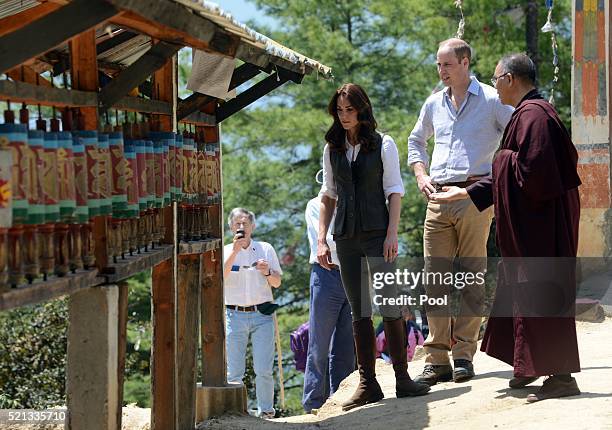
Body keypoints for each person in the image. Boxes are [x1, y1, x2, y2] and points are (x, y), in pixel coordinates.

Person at [430, 53, 582, 402]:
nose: (493, 84)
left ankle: (560, 376)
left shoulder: (536, 117)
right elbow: (516, 170)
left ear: (511, 79)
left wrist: (499, 161)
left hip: (542, 229)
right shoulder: (526, 115)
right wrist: (468, 191)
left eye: (496, 78)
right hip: (533, 225)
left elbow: (534, 175)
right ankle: (528, 364)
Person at [407, 38, 514, 385]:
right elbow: (415, 141)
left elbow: (516, 134)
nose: (441, 72)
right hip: (437, 197)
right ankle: (436, 358)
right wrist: (421, 174)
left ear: (465, 63)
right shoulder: (433, 103)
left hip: (474, 195)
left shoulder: (492, 99)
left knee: (471, 276)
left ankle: (464, 354)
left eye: (447, 65)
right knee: (434, 278)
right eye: (438, 65)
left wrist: (493, 178)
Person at [318, 83, 430, 412]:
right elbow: (329, 194)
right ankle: (368, 383)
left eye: (349, 110)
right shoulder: (332, 147)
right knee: (359, 311)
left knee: (389, 305)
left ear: (362, 110)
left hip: (377, 234)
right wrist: (322, 237)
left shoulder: (384, 144)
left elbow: (395, 190)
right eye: (339, 111)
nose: (344, 117)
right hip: (345, 237)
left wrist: (392, 234)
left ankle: (402, 378)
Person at [223, 208, 282, 419]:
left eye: (245, 223)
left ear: (253, 226)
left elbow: (276, 282)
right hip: (234, 314)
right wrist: (235, 252)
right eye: (237, 224)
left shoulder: (265, 249)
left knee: (263, 368)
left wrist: (267, 271)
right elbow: (220, 276)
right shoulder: (225, 250)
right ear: (230, 227)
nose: (241, 228)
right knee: (234, 371)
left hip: (262, 314)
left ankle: (266, 410)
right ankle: (236, 412)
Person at [302, 180, 355, 413]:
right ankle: (313, 402)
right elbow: (327, 242)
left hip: (352, 274)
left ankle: (340, 396)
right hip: (326, 274)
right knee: (319, 343)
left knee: (346, 344)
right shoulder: (314, 205)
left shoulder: (351, 206)